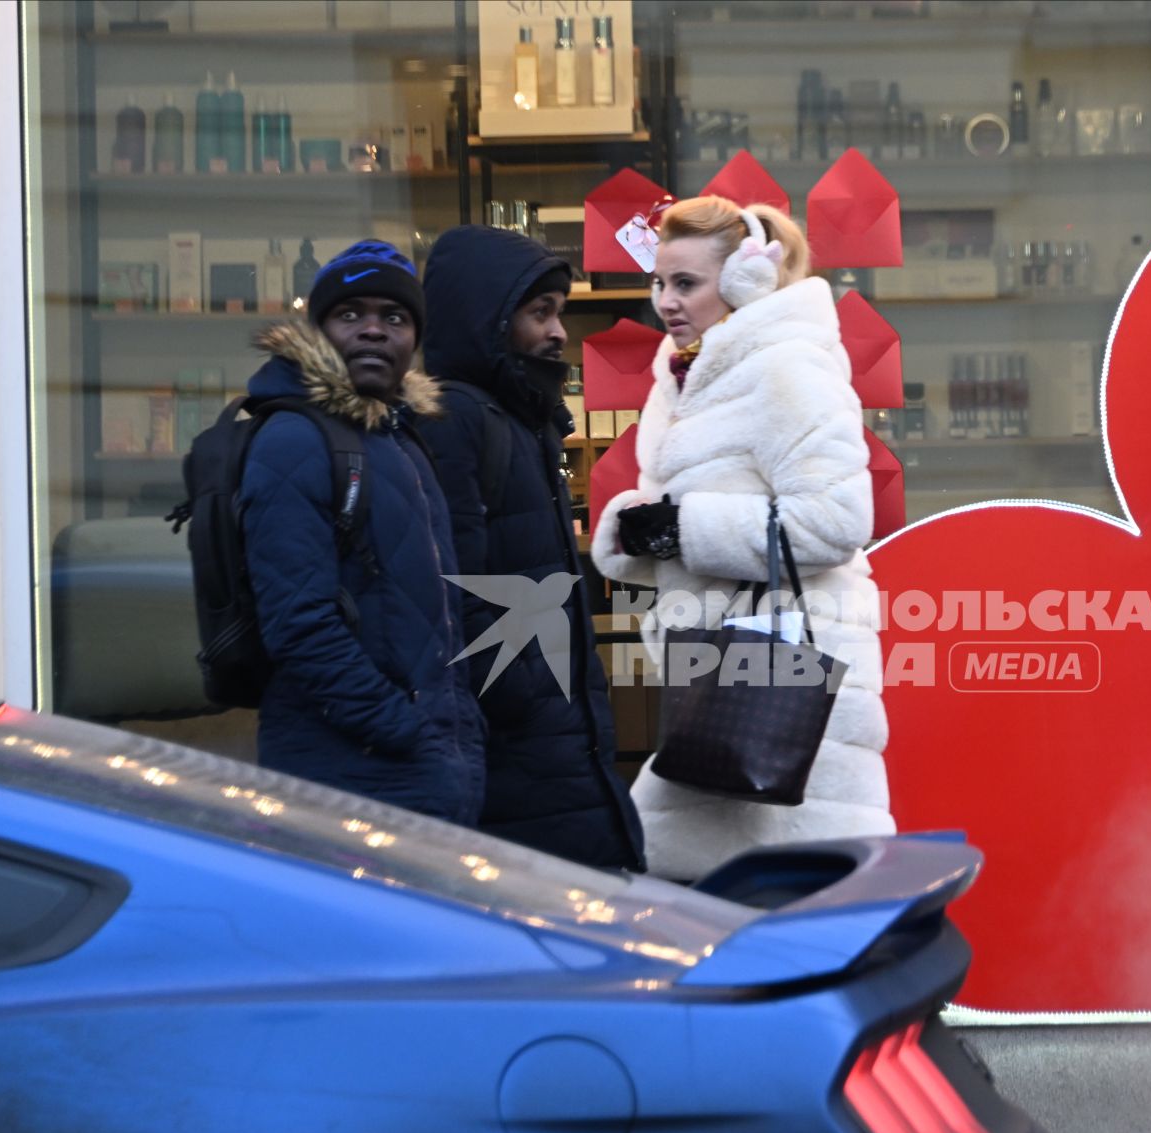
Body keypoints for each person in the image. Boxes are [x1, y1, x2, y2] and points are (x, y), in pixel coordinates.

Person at [591, 196, 895, 881]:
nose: (664, 302)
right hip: (721, 668)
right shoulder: (683, 375)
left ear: (744, 283)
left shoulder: (786, 368)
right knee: (725, 887)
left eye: (685, 284)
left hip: (779, 675)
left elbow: (837, 521)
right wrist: (641, 530)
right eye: (658, 283)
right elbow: (703, 511)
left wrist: (685, 526)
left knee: (784, 878)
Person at [419, 225, 644, 871]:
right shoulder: (459, 421)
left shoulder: (518, 420)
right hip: (520, 743)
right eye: (538, 313)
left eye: (560, 314)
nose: (556, 333)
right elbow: (453, 590)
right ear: (486, 318)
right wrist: (523, 692)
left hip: (549, 734)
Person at [238, 239, 484, 824]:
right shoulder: (295, 440)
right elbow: (298, 625)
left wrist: (458, 734)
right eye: (351, 315)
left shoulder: (400, 440)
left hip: (422, 760)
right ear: (320, 330)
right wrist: (407, 732)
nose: (373, 331)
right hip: (353, 770)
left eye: (393, 318)